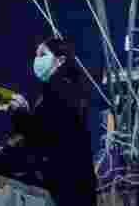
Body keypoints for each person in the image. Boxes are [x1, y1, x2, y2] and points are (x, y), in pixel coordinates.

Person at [8, 36, 96, 206]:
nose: (36, 60)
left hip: (65, 188)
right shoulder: (67, 88)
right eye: (36, 55)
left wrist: (20, 114)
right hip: (74, 187)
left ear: (60, 60)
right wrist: (26, 113)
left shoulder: (60, 89)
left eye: (42, 55)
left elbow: (43, 135)